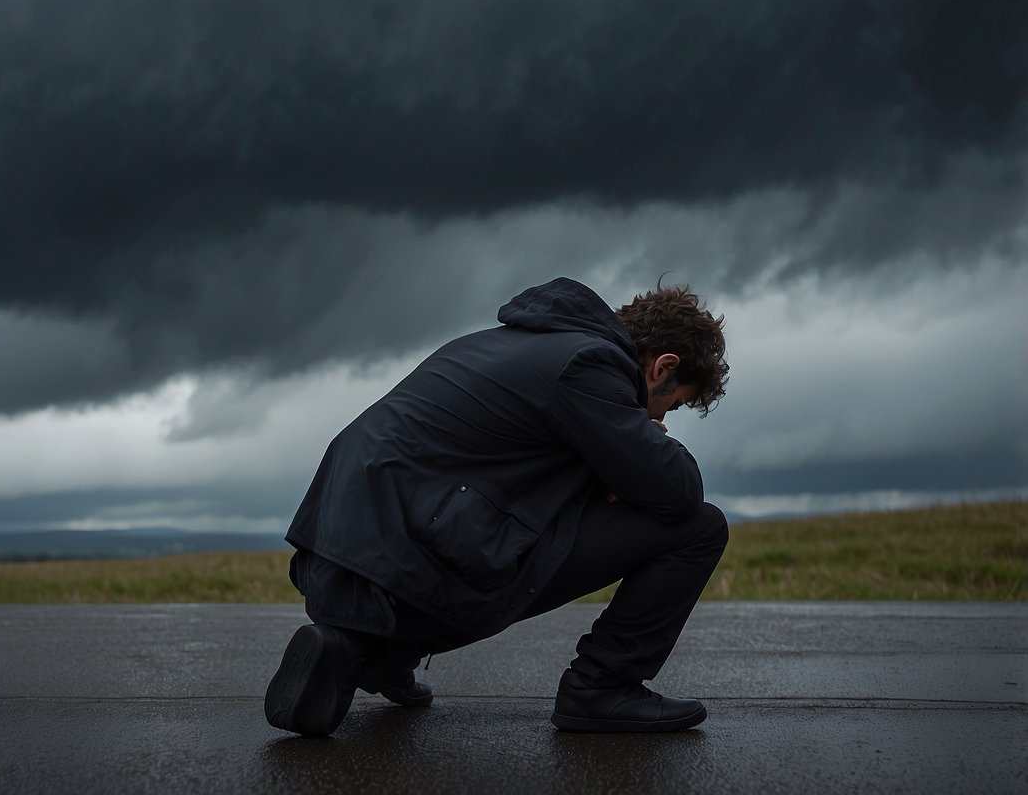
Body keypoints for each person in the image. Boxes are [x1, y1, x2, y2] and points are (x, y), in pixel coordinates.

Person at [264, 276, 730, 737]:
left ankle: (370, 652)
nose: (656, 419)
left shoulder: (509, 344)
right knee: (699, 527)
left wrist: (609, 472)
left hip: (337, 561)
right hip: (402, 566)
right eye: (669, 407)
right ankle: (602, 688)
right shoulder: (589, 365)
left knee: (517, 525)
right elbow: (678, 491)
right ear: (663, 367)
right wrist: (646, 446)